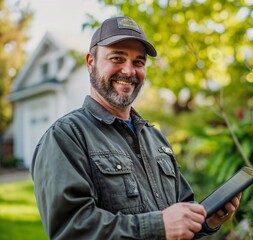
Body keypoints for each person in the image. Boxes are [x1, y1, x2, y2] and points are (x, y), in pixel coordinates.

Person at [31, 16, 241, 240]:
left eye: (139, 62)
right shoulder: (66, 136)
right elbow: (71, 230)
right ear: (90, 62)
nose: (129, 71)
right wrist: (158, 226)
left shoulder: (155, 137)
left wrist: (207, 220)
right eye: (117, 58)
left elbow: (180, 216)